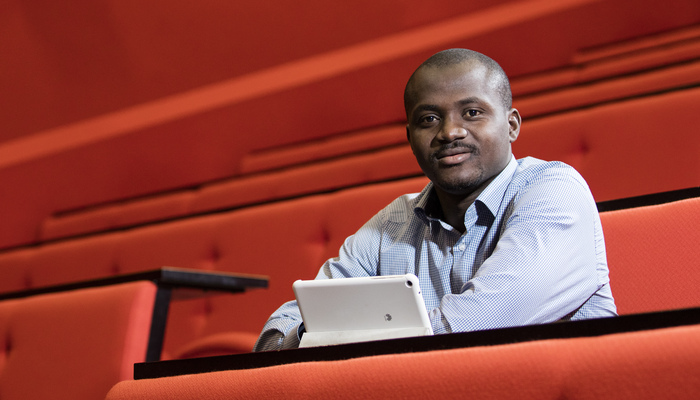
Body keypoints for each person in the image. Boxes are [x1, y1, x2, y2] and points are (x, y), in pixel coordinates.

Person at [253, 48, 617, 351]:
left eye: (472, 113)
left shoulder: (552, 190)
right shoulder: (392, 223)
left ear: (512, 125)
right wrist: (307, 335)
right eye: (429, 119)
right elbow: (282, 328)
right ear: (410, 136)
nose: (450, 132)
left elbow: (480, 326)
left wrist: (335, 336)